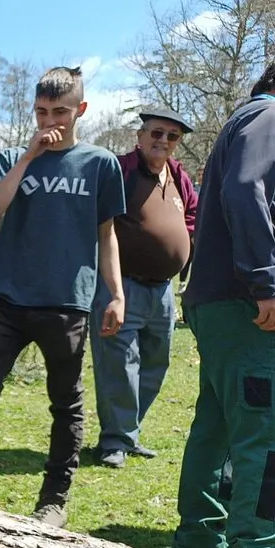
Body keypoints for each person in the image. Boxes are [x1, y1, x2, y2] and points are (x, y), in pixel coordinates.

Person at [0, 67, 126, 528]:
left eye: (60, 111)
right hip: (6, 301)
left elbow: (106, 234)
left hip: (67, 302)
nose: (50, 119)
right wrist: (28, 158)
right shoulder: (14, 155)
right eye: (42, 111)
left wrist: (117, 294)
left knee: (65, 403)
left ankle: (54, 499)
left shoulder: (100, 164)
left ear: (80, 111)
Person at [171, 65, 275, 548]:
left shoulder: (246, 118)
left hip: (219, 306)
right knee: (266, 436)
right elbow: (245, 187)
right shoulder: (271, 115)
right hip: (246, 309)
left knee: (214, 431)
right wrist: (267, 279)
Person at [92, 108, 198, 469]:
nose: (163, 141)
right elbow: (97, 216)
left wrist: (184, 245)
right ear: (140, 136)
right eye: (156, 133)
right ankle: (115, 441)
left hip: (162, 291)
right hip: (121, 286)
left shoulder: (178, 176)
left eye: (172, 136)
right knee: (120, 364)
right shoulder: (121, 170)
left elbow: (192, 215)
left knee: (155, 362)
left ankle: (128, 433)